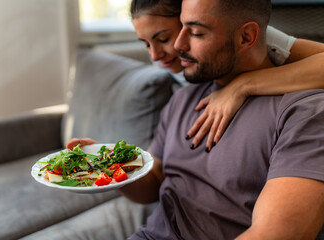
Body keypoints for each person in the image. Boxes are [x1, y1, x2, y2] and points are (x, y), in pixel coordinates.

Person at [68, 0, 324, 239]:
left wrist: (243, 85)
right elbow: (155, 179)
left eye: (196, 32)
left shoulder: (304, 112)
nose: (177, 46)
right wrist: (111, 167)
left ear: (246, 37)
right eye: (181, 27)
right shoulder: (183, 99)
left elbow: (276, 233)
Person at [130, 0, 324, 151]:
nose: (154, 56)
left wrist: (242, 85)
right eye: (145, 44)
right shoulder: (171, 72)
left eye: (164, 39)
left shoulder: (258, 41)